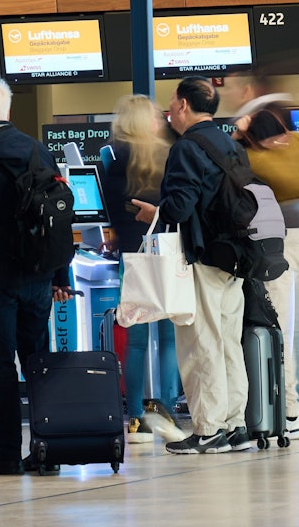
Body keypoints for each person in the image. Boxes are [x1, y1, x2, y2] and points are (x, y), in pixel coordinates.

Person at [0, 77, 73, 476]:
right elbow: (58, 217)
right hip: (38, 277)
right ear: (7, 111)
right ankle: (46, 448)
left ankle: (5, 451)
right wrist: (61, 276)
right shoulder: (38, 150)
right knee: (37, 362)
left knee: (1, 366)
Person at [132, 77, 250, 454]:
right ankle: (235, 425)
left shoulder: (187, 147)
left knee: (201, 343)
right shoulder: (230, 145)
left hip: (203, 257)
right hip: (235, 257)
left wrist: (155, 212)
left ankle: (208, 428)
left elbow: (180, 207)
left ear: (183, 105)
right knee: (228, 342)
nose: (169, 109)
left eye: (172, 101)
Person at [222, 71, 299, 439]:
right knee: (296, 324)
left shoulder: (256, 126)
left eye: (233, 88)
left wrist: (240, 136)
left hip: (279, 240)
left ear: (248, 89)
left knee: (280, 326)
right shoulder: (280, 123)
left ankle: (292, 413)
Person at [102, 94, 184, 445]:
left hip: (133, 257)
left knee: (135, 340)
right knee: (169, 339)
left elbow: (114, 212)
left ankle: (136, 418)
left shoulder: (115, 159)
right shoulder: (172, 154)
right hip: (167, 253)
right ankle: (167, 410)